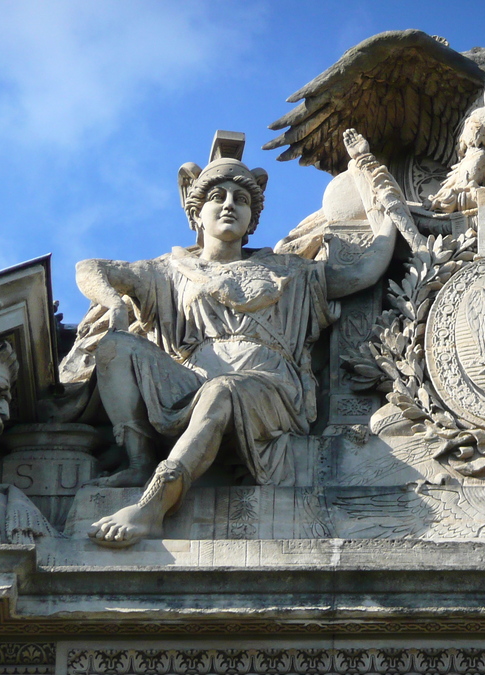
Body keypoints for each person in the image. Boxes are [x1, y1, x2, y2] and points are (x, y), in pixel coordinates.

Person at [77, 130, 398, 547]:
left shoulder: (290, 272)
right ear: (196, 213)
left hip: (271, 390)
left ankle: (154, 504)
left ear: (252, 218)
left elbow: (364, 271)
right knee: (116, 346)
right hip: (189, 380)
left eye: (241, 200)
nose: (229, 204)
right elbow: (91, 267)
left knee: (223, 391)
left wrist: (386, 202)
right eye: (218, 197)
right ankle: (139, 461)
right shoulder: (168, 271)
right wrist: (113, 304)